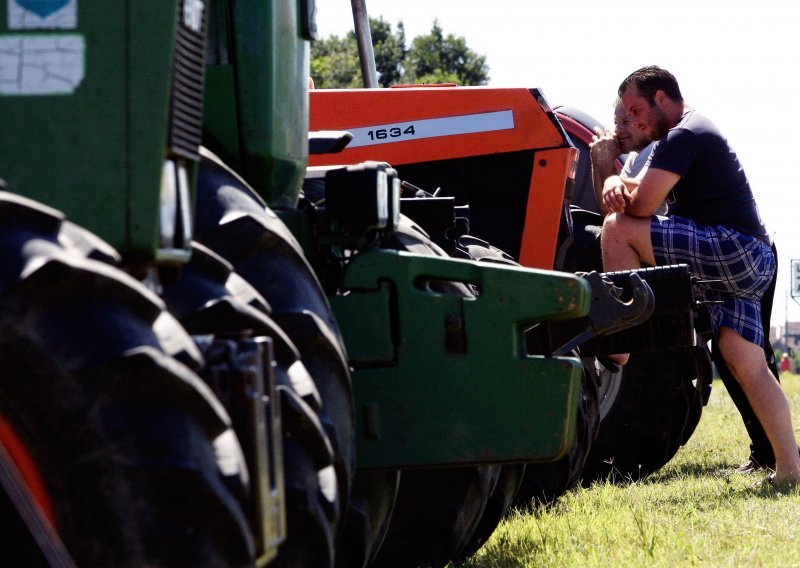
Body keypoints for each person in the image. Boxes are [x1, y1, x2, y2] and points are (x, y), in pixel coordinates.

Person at [598, 65, 800, 487]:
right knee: (742, 359)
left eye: (637, 109)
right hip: (750, 260)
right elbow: (622, 196)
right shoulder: (672, 141)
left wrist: (615, 177)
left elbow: (634, 210)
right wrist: (611, 171)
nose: (633, 121)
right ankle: (791, 469)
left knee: (620, 230)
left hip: (735, 250)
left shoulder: (684, 133)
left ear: (661, 99)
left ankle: (620, 342)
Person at [590, 99, 657, 215]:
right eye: (616, 123)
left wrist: (606, 161)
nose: (617, 130)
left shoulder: (655, 148)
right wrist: (598, 158)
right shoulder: (635, 155)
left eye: (625, 121)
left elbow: (621, 210)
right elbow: (607, 209)